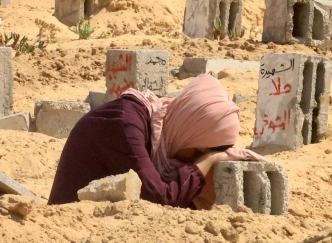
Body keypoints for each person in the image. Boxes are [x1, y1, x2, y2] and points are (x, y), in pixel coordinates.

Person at [47, 74, 263, 208]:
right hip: (70, 231)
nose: (193, 161)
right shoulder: (125, 124)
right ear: (186, 134)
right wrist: (211, 159)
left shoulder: (163, 125)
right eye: (197, 153)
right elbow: (161, 199)